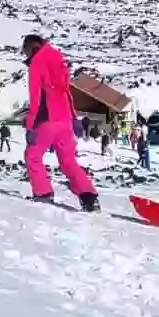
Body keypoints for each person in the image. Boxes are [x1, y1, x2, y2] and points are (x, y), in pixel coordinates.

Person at [20, 34, 98, 210]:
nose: (24, 55)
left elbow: (36, 97)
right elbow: (66, 93)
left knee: (33, 155)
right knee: (68, 161)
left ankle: (43, 192)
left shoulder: (37, 63)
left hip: (47, 119)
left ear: (30, 47)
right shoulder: (57, 60)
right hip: (66, 120)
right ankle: (88, 196)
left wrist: (31, 123)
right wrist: (74, 118)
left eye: (24, 50)